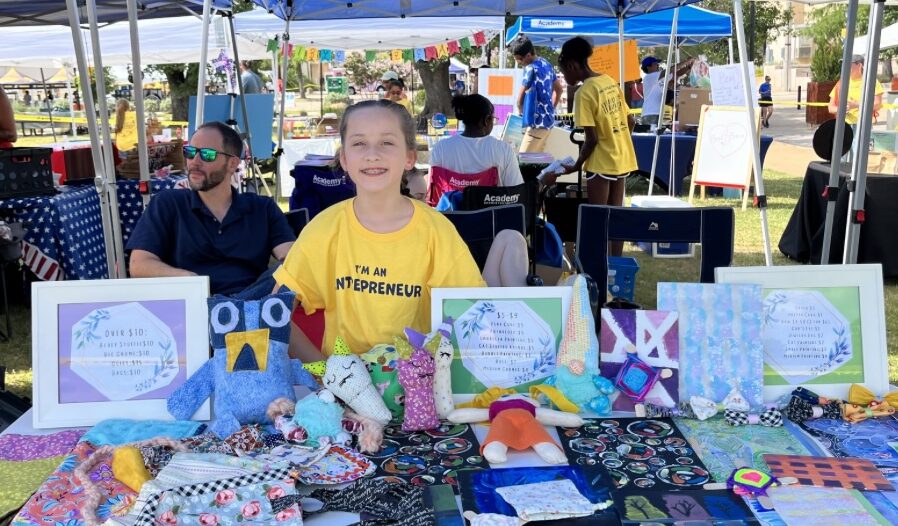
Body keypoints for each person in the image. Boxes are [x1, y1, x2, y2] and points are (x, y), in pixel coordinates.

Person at [273, 99, 528, 360]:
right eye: (359, 143)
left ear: (409, 158)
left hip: (420, 390)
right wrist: (328, 374)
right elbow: (275, 311)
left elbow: (471, 312)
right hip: (346, 394)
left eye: (387, 142)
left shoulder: (436, 232)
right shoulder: (323, 230)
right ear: (344, 159)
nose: (372, 154)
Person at [127, 121, 294, 299]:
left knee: (290, 268)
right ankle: (231, 310)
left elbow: (292, 258)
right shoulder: (168, 203)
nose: (194, 162)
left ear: (232, 163)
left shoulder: (262, 208)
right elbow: (139, 264)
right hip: (194, 305)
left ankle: (236, 309)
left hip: (251, 304)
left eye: (207, 155)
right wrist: (188, 279)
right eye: (190, 152)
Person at [552, 37, 637, 257]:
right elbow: (631, 121)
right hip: (622, 157)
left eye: (563, 72)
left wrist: (577, 166)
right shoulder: (608, 81)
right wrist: (619, 140)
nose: (564, 78)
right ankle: (615, 265)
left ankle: (600, 266)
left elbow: (591, 139)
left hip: (601, 162)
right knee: (616, 216)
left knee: (598, 218)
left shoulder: (584, 93)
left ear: (572, 65)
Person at [431, 94, 523, 187]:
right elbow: (517, 191)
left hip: (451, 202)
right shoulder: (503, 150)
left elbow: (434, 190)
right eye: (493, 119)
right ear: (486, 120)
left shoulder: (440, 149)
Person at [512, 37, 563, 153]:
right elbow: (559, 89)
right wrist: (550, 109)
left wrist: (520, 113)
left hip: (535, 124)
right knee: (536, 163)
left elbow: (519, 100)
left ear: (528, 55)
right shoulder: (547, 64)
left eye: (519, 59)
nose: (519, 62)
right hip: (548, 122)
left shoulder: (530, 68)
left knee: (523, 161)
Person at [828, 54, 884, 161]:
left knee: (859, 158)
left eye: (849, 64)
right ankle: (840, 177)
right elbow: (830, 108)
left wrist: (857, 105)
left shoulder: (871, 83)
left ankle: (856, 177)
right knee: (840, 158)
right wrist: (842, 110)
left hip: (863, 124)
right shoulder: (840, 83)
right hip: (844, 125)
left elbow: (878, 104)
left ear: (860, 66)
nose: (845, 67)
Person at [640, 55, 695, 127]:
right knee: (653, 136)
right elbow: (670, 70)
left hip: (655, 113)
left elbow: (677, 73)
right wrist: (687, 61)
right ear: (648, 67)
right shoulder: (650, 77)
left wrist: (689, 66)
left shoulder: (659, 77)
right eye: (655, 63)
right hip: (650, 114)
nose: (657, 65)